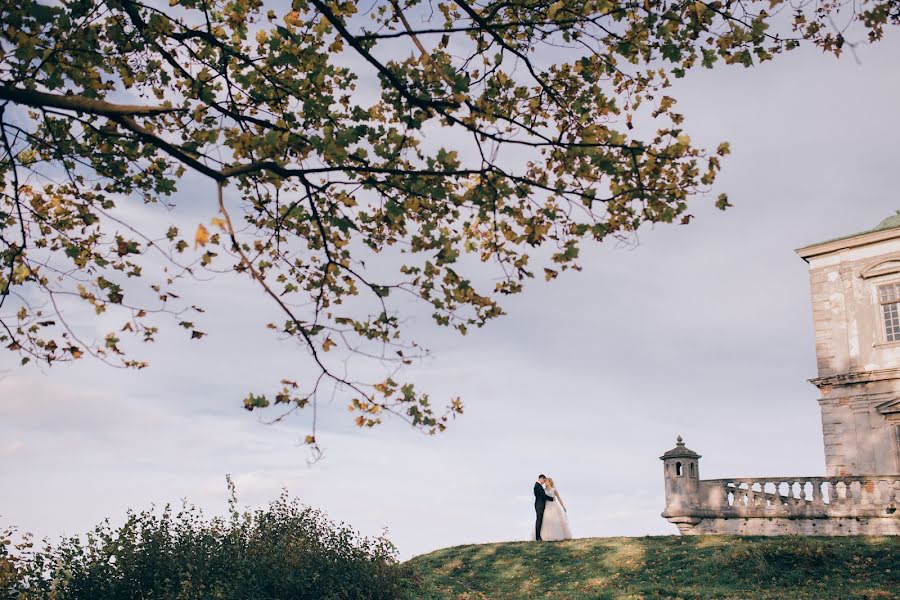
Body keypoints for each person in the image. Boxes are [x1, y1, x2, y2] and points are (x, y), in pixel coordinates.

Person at [539, 477, 573, 541]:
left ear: (549, 482)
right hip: (547, 506)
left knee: (556, 520)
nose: (545, 483)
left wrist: (563, 506)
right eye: (545, 481)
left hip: (554, 506)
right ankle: (546, 536)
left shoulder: (553, 490)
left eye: (546, 481)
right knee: (547, 521)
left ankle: (557, 535)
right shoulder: (544, 490)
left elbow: (559, 498)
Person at [533, 474, 554, 541]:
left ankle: (538, 537)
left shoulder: (538, 486)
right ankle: (538, 537)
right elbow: (543, 496)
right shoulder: (537, 486)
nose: (544, 482)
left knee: (540, 520)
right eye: (544, 480)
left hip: (539, 505)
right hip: (539, 505)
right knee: (539, 520)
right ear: (541, 479)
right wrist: (551, 499)